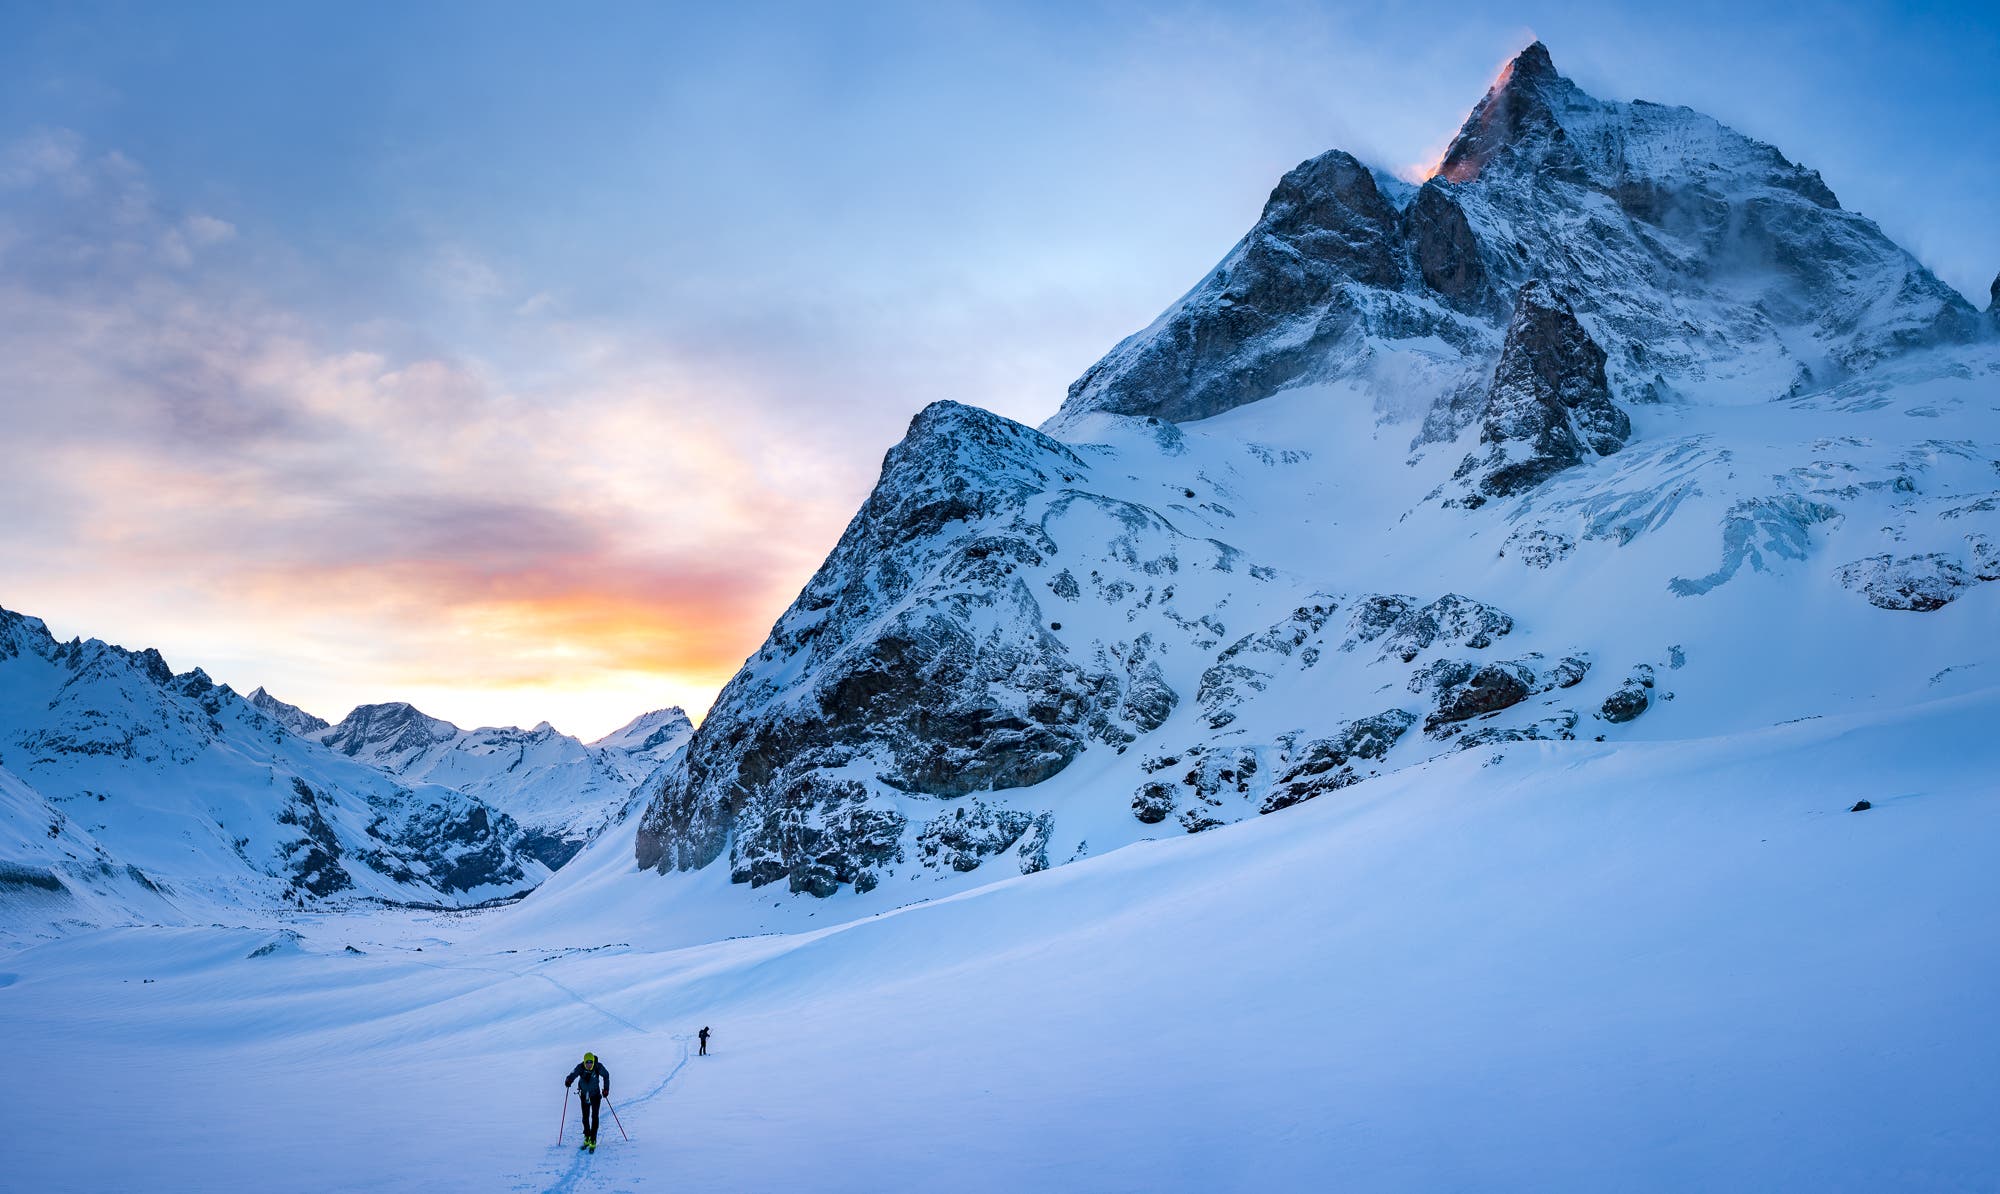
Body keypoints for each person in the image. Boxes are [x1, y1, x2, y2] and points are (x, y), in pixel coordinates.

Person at [564, 1052, 611, 1151]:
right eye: (587, 1063)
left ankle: (593, 1139)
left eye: (590, 1062)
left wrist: (606, 1089)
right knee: (585, 1117)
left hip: (595, 1095)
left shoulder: (598, 1067)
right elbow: (573, 1074)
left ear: (593, 1062)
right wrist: (569, 1080)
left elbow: (606, 1075)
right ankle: (587, 1137)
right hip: (584, 1095)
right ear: (584, 1062)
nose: (589, 1065)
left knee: (594, 1117)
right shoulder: (580, 1067)